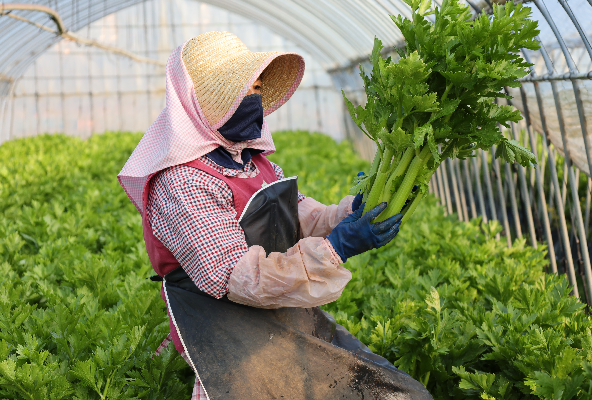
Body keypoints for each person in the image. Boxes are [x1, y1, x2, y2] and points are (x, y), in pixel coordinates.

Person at [118, 31, 432, 400]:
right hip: (224, 326)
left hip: (278, 308)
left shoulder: (253, 161)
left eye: (256, 87)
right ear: (200, 103)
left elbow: (299, 216)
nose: (255, 99)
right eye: (240, 92)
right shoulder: (184, 181)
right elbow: (242, 280)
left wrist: (347, 215)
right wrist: (338, 247)